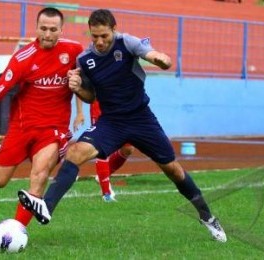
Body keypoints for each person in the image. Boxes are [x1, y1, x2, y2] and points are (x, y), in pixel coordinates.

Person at [18, 9, 227, 242]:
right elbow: (90, 97)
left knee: (174, 170)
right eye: (94, 36)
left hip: (141, 118)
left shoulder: (127, 43)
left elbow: (154, 54)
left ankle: (207, 217)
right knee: (76, 152)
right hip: (112, 121)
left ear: (113, 31)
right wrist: (78, 87)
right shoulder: (84, 60)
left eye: (104, 36)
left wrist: (161, 59)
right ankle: (46, 206)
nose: (99, 41)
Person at [0, 7, 83, 228]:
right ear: (36, 28)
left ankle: (17, 230)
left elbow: (85, 80)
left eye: (53, 29)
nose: (47, 34)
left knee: (40, 174)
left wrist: (82, 105)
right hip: (22, 127)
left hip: (52, 129)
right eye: (43, 29)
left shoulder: (75, 51)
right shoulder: (23, 58)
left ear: (61, 30)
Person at [73, 98, 134, 202]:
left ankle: (102, 176)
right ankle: (106, 194)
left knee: (128, 149)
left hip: (120, 106)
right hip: (99, 107)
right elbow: (79, 85)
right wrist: (80, 112)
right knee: (102, 148)